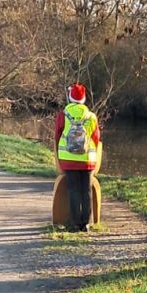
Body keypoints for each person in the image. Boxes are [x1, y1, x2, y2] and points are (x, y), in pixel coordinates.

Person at [54, 83, 101, 230]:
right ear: (84, 99)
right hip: (87, 160)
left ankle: (74, 223)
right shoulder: (91, 116)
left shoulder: (63, 115)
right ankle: (85, 223)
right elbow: (96, 138)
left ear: (70, 98)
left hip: (68, 159)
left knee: (73, 190)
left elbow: (57, 135)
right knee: (86, 190)